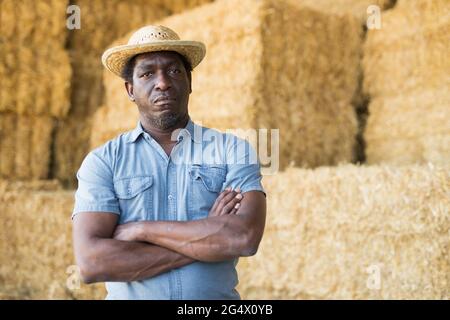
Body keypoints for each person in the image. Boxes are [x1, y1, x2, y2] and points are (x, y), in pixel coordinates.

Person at [72, 25, 266, 299]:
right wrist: (205, 239)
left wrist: (141, 230)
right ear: (130, 90)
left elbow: (243, 238)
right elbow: (93, 263)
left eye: (174, 71)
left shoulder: (232, 150)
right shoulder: (103, 161)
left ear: (189, 80)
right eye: (148, 73)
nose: (162, 82)